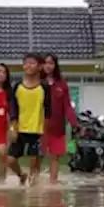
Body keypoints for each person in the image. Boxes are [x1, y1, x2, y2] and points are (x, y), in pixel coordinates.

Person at [7, 53, 51, 186]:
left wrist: (46, 133)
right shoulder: (17, 86)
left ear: (39, 67)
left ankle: (34, 199)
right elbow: (13, 109)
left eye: (32, 63)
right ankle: (21, 176)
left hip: (37, 130)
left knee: (34, 166)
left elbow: (48, 110)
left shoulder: (44, 87)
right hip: (20, 129)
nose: (28, 65)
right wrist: (13, 129)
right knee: (10, 160)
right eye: (26, 63)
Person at [41, 53, 81, 184]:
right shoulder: (37, 83)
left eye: (51, 63)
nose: (48, 66)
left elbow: (67, 106)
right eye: (46, 62)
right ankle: (33, 184)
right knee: (37, 157)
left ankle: (53, 184)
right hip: (39, 126)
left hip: (57, 127)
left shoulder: (62, 85)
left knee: (55, 157)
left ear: (55, 65)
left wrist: (74, 123)